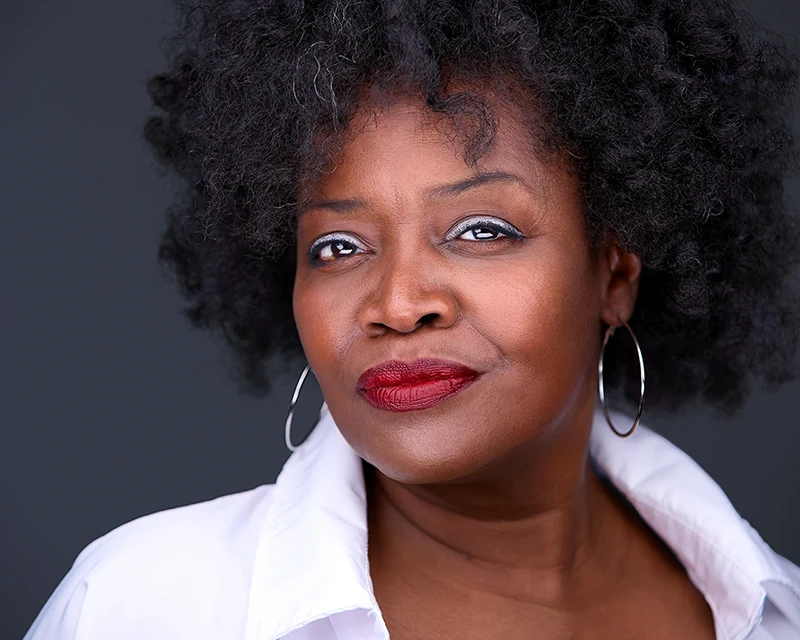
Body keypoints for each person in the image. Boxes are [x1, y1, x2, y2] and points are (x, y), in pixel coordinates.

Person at [23, 0, 800, 638]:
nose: (397, 304)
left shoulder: (771, 612)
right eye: (337, 245)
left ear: (614, 276)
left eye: (480, 231)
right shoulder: (141, 608)